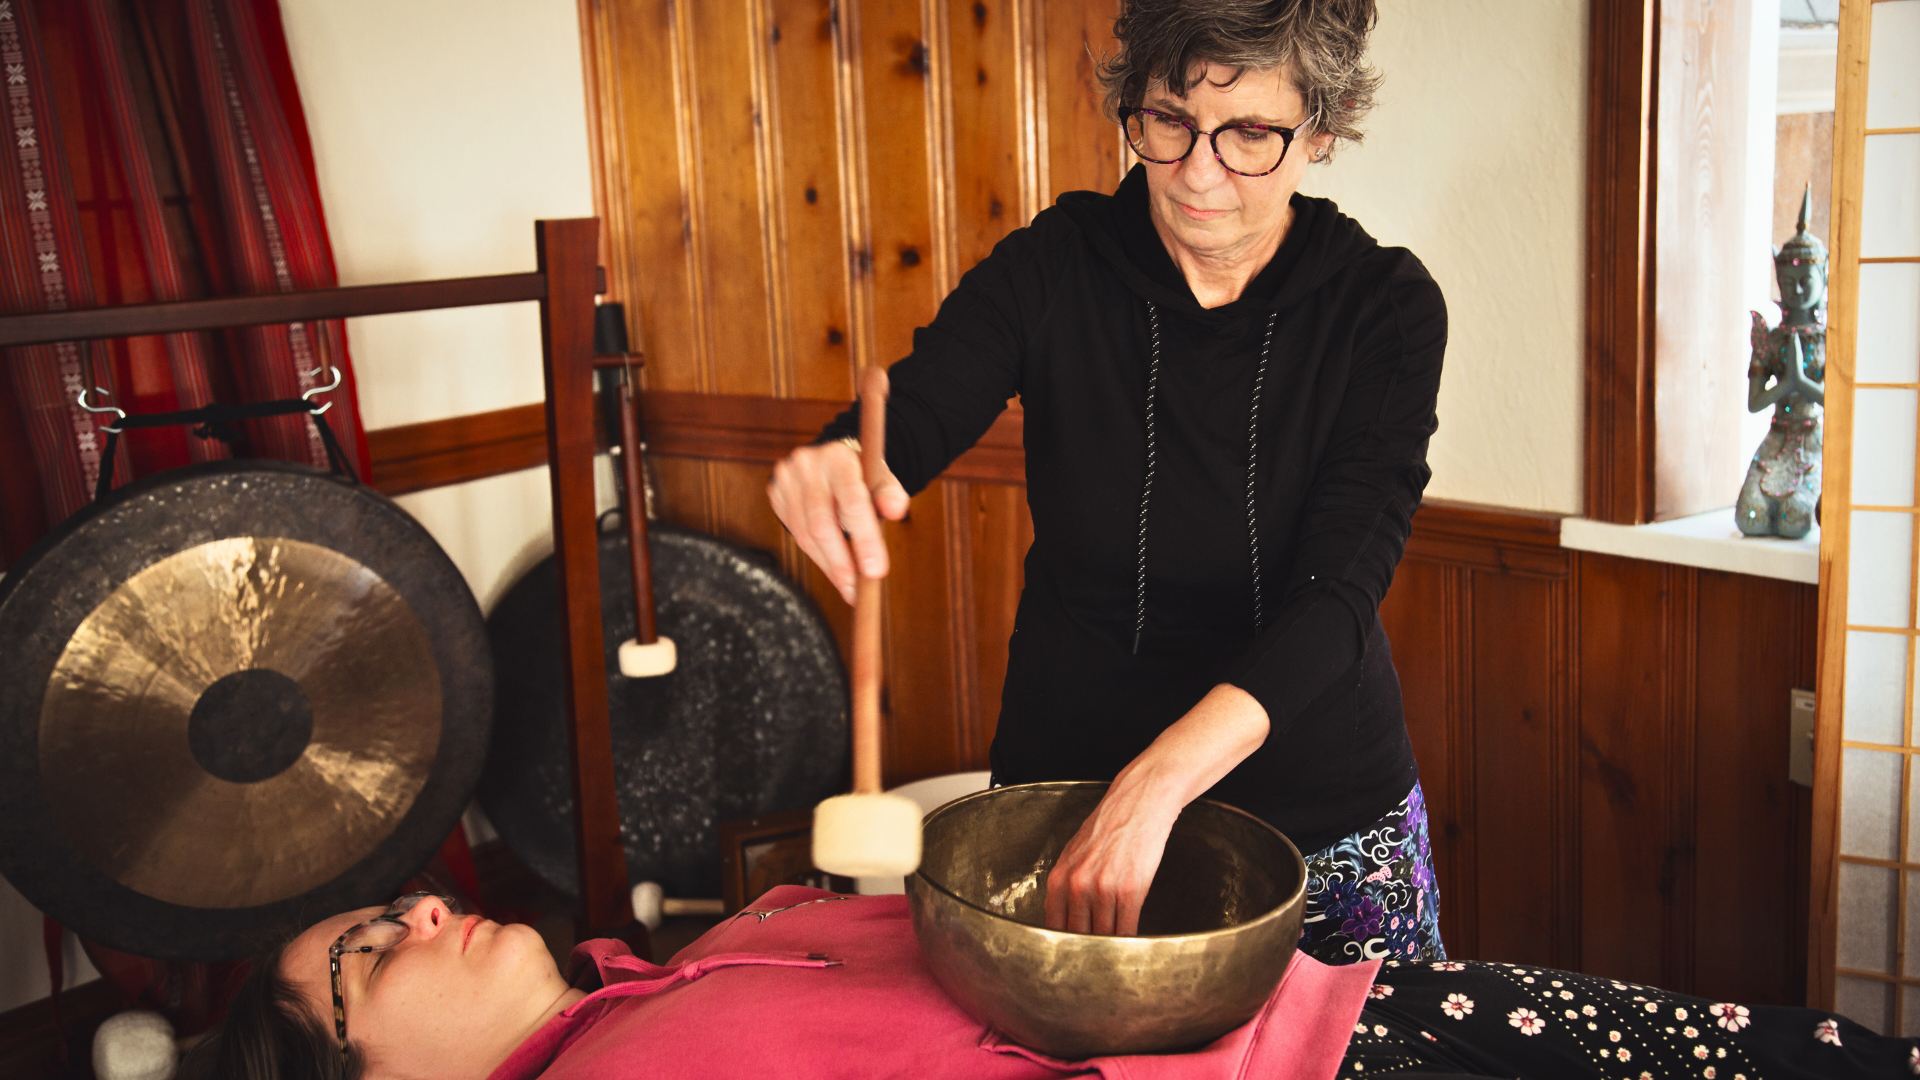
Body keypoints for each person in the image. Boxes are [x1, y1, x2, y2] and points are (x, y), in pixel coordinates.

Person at [769, 0, 1440, 959]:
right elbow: (915, 410)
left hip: (1319, 808)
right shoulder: (1057, 263)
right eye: (1169, 120)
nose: (1197, 172)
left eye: (1250, 134)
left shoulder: (1385, 308)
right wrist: (843, 461)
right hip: (1065, 794)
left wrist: (1155, 782)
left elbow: (1337, 596)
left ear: (1320, 130)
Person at [178, 890, 1920, 1080]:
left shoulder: (660, 971)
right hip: (1305, 1074)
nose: (416, 911)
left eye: (382, 909)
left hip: (1342, 1000)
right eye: (360, 960)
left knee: (1811, 1054)